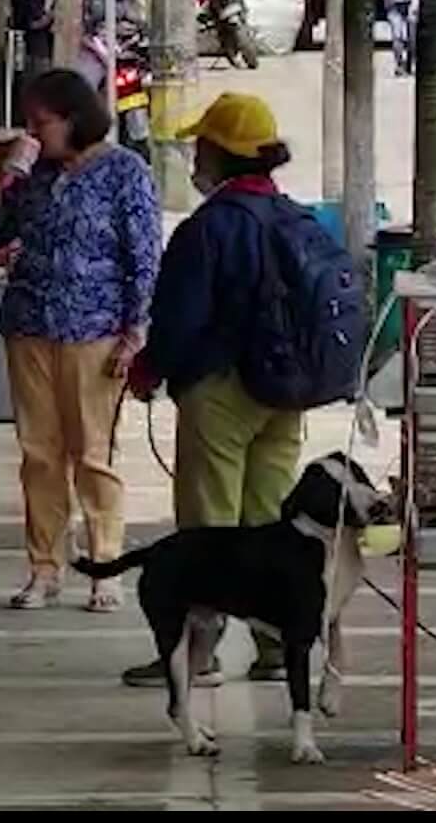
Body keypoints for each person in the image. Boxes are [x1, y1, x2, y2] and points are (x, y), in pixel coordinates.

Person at [116, 93, 315, 686]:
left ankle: (196, 659)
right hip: (285, 392)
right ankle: (277, 648)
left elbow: (178, 319)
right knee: (272, 523)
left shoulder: (209, 229)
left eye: (202, 146)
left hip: (220, 392)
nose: (195, 158)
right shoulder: (296, 219)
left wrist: (150, 370)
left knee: (208, 531)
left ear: (220, 154)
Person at [0, 69, 160, 613]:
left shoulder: (124, 172)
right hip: (29, 325)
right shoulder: (33, 174)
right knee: (39, 453)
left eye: (42, 122)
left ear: (74, 118)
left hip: (95, 330)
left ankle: (104, 565)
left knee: (93, 453)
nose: (34, 133)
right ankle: (44, 567)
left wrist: (136, 329)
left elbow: (144, 256)